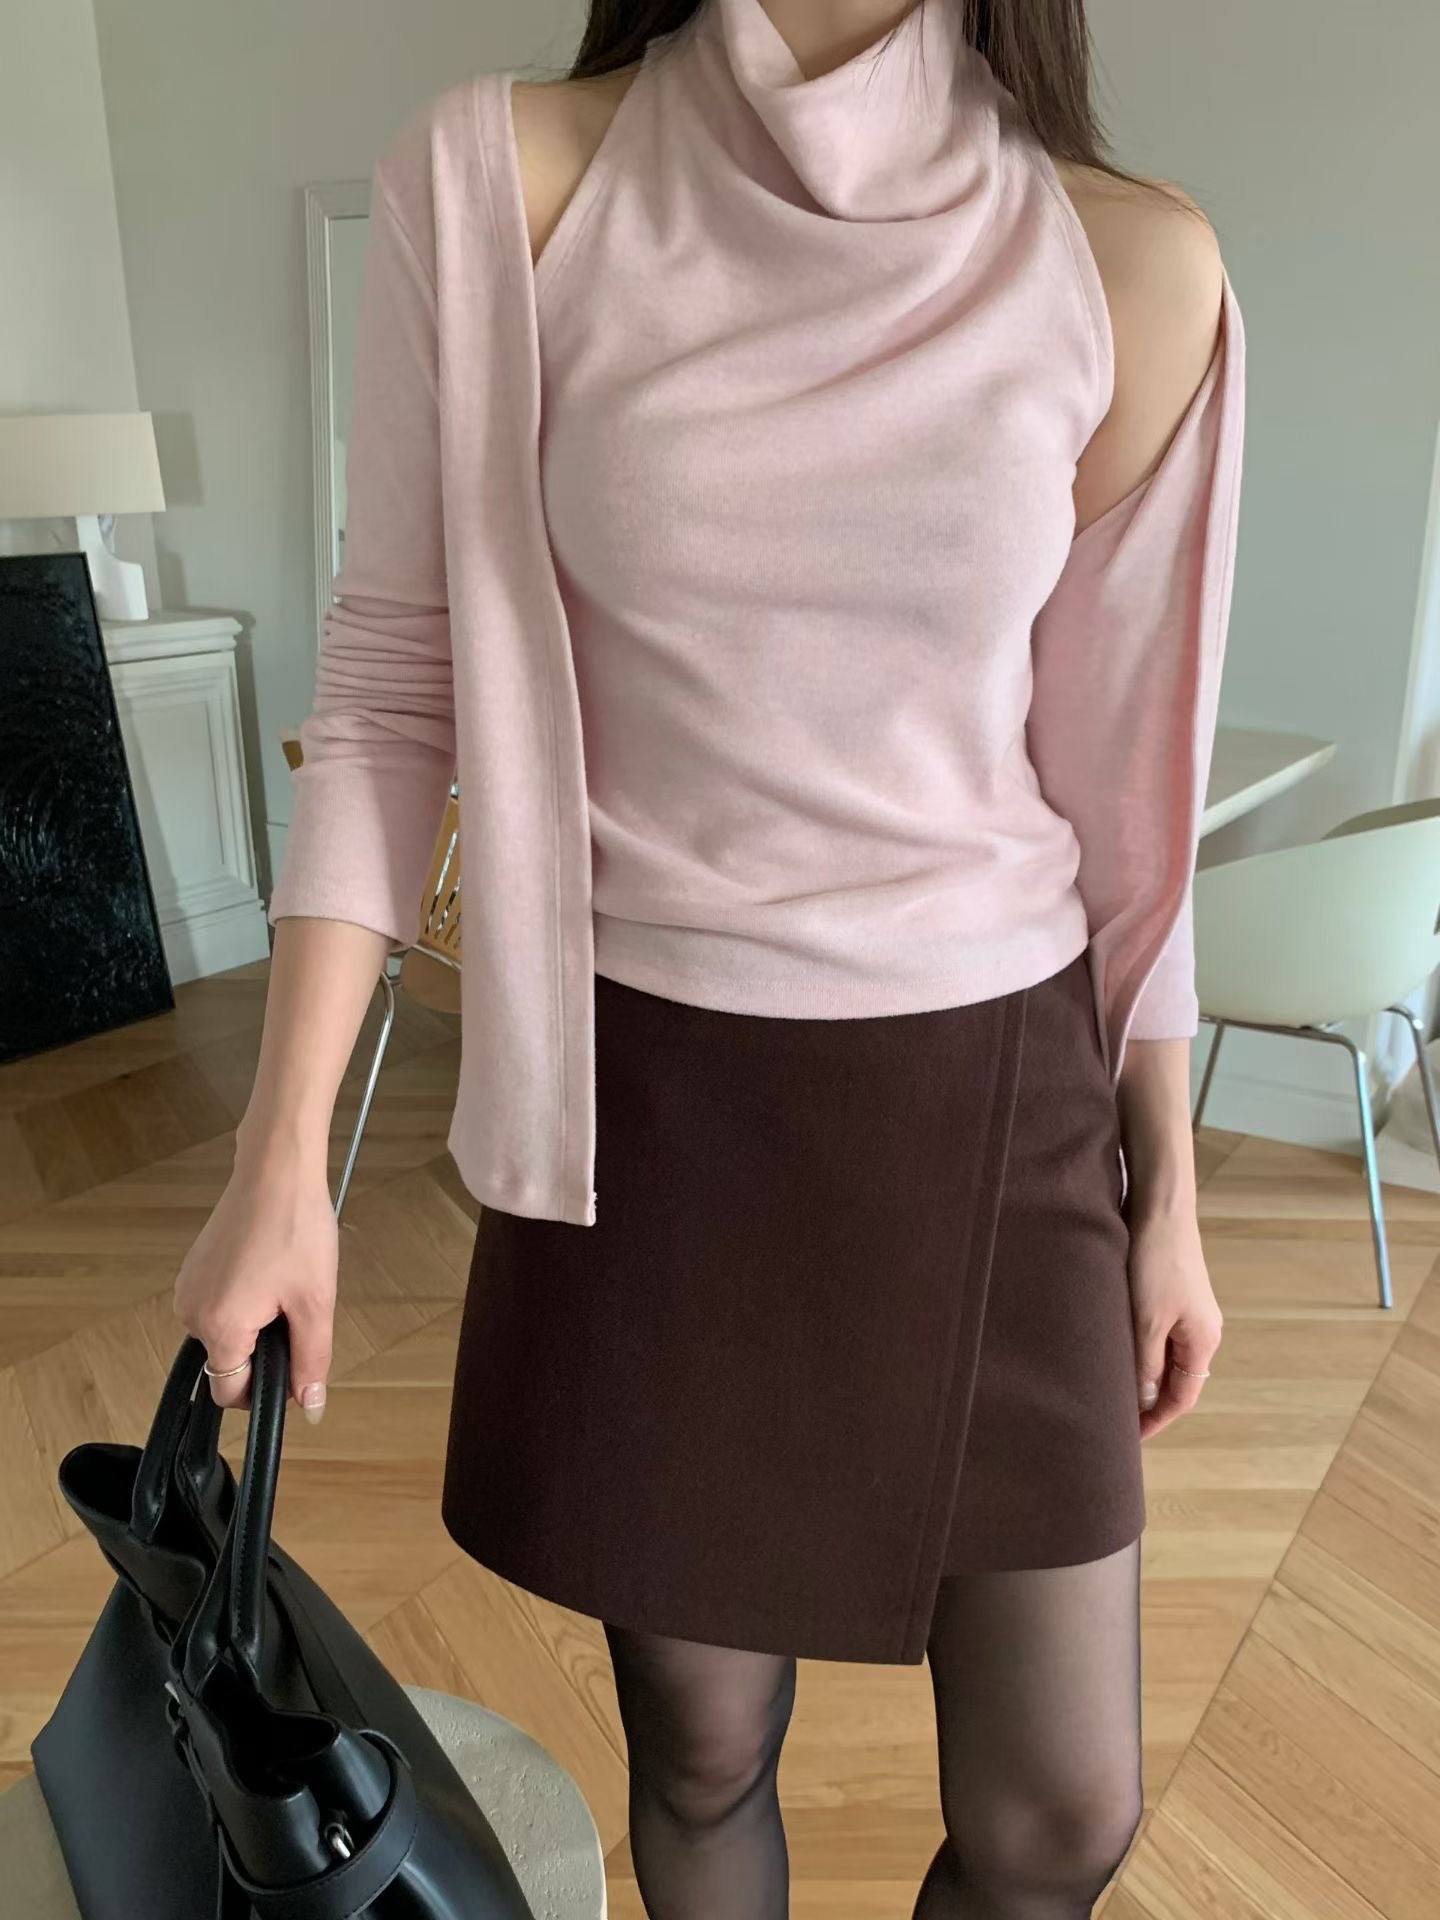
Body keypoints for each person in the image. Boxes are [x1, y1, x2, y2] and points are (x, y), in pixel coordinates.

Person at [175, 2, 1242, 1913]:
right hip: (655, 1106)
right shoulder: (503, 179)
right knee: (702, 1748)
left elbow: (1127, 802)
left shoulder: (1133, 262)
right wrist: (281, 1160)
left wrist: (1167, 1192)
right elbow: (395, 688)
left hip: (999, 1102)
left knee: (1061, 1814)